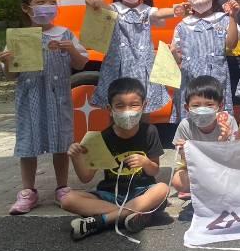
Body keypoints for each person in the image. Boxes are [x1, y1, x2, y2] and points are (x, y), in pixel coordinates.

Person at [0, 0, 89, 215]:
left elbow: (80, 64)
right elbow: (11, 75)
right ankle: (28, 191)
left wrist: (71, 50)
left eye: (52, 1)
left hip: (58, 99)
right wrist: (8, 61)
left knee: (61, 144)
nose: (47, 7)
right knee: (28, 145)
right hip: (30, 100)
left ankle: (62, 187)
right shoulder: (19, 38)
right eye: (40, 2)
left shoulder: (65, 34)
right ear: (27, 8)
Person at [61, 78, 168, 241]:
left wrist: (145, 162)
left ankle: (101, 221)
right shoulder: (102, 138)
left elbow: (155, 169)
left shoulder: (150, 132)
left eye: (134, 105)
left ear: (144, 106)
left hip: (141, 192)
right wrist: (76, 158)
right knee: (68, 199)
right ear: (110, 109)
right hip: (111, 194)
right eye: (120, 106)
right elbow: (86, 177)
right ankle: (133, 215)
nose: (127, 111)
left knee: (162, 189)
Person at [86, 0, 178, 113]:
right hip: (118, 69)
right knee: (116, 108)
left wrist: (176, 10)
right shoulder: (114, 10)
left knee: (144, 108)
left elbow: (159, 13)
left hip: (143, 69)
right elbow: (103, 8)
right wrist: (94, 2)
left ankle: (144, 135)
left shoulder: (146, 11)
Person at [170, 0, 239, 122]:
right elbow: (177, 58)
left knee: (218, 122)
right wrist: (173, 54)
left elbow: (231, 45)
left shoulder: (223, 19)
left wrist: (233, 17)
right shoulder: (183, 25)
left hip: (217, 81)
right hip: (190, 83)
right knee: (191, 122)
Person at [171, 75, 235, 197]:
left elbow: (234, 156)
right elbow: (186, 159)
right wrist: (183, 151)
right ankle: (199, 192)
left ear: (220, 107)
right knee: (178, 181)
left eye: (209, 105)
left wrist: (225, 142)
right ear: (187, 108)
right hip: (198, 168)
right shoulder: (185, 126)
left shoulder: (228, 122)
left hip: (222, 167)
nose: (202, 109)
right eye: (196, 105)